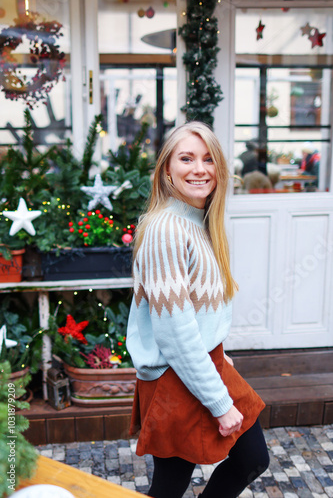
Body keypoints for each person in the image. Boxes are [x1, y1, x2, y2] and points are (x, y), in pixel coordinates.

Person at [126, 121, 269, 498]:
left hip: (204, 361)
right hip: (176, 374)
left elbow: (197, 312)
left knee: (251, 458)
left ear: (220, 168)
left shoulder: (197, 222)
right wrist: (221, 404)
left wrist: (220, 354)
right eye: (186, 158)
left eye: (208, 159)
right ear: (167, 169)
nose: (199, 169)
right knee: (171, 485)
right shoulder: (166, 229)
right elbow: (173, 332)